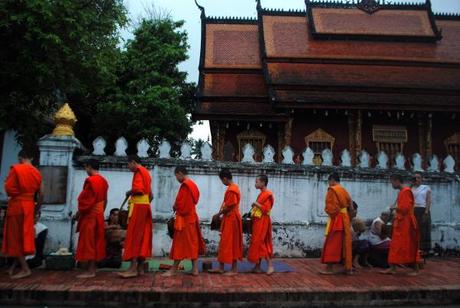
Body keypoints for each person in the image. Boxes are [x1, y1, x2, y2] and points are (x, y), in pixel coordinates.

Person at [2, 150, 43, 279]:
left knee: (15, 237)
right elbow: (41, 194)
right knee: (24, 237)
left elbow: (9, 189)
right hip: (30, 205)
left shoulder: (16, 169)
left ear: (20, 157)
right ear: (31, 158)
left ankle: (25, 269)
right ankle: (13, 267)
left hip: (17, 205)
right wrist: (36, 210)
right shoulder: (37, 173)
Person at [163, 166, 206, 276]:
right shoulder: (193, 185)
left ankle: (173, 270)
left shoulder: (186, 185)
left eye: (176, 176)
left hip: (184, 220)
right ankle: (195, 269)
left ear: (180, 173)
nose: (176, 178)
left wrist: (176, 207)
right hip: (192, 218)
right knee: (192, 243)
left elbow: (184, 206)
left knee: (179, 244)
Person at [118, 155, 153, 278]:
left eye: (128, 164)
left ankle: (132, 269)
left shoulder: (139, 171)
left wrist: (129, 192)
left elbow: (138, 190)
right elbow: (151, 195)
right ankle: (140, 268)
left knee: (134, 236)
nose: (128, 167)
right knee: (143, 236)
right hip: (145, 206)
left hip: (138, 207)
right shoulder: (147, 173)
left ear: (133, 162)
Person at [74, 159, 108, 278]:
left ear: (89, 167)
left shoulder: (91, 181)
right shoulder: (103, 181)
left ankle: (91, 270)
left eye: (86, 167)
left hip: (90, 215)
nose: (85, 170)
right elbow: (105, 200)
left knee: (89, 242)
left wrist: (78, 214)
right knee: (96, 241)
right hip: (99, 214)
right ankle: (92, 269)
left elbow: (86, 202)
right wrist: (100, 212)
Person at [381, 174, 420, 276]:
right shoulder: (402, 192)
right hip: (401, 222)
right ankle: (393, 268)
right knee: (395, 245)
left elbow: (405, 208)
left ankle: (416, 269)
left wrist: (394, 209)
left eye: (392, 182)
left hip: (407, 222)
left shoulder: (406, 191)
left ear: (397, 181)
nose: (392, 185)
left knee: (410, 245)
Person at [208, 169, 243, 275]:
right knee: (224, 243)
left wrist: (218, 214)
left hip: (232, 219)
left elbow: (230, 206)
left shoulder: (232, 189)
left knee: (232, 243)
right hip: (229, 218)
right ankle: (221, 267)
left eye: (222, 181)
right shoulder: (232, 188)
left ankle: (234, 269)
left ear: (224, 179)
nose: (222, 183)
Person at [320, 172, 353, 275]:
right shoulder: (344, 190)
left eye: (329, 182)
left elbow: (331, 208)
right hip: (345, 218)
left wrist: (330, 213)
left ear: (332, 180)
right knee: (344, 243)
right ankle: (347, 268)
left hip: (337, 219)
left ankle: (330, 268)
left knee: (332, 243)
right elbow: (351, 206)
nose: (329, 184)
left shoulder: (333, 190)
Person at [247, 174, 275, 275]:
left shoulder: (268, 194)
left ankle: (270, 265)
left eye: (257, 181)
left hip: (263, 221)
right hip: (258, 221)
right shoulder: (261, 194)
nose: (255, 183)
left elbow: (266, 209)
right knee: (257, 242)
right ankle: (257, 267)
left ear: (263, 183)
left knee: (260, 242)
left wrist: (256, 204)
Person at [411, 173, 432, 256]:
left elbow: (428, 200)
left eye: (418, 178)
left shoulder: (426, 188)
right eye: (415, 178)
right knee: (414, 229)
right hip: (413, 210)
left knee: (424, 230)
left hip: (423, 210)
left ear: (421, 179)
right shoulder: (411, 188)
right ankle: (415, 249)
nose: (417, 179)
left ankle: (424, 250)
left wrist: (426, 212)